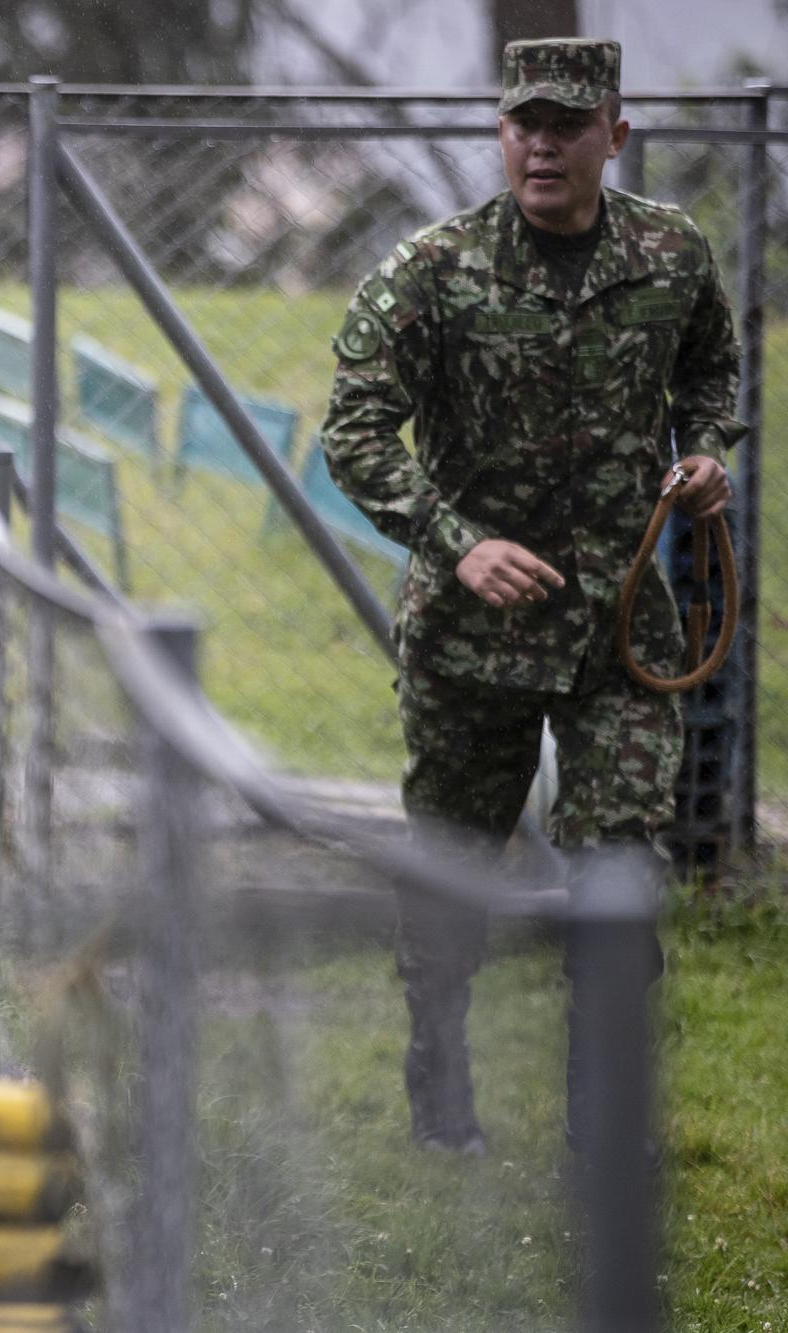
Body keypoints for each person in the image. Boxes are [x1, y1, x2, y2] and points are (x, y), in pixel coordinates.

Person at [318, 37, 745, 1154]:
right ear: (500, 133)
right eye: (522, 124)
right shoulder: (432, 268)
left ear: (614, 129)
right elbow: (354, 432)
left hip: (620, 637)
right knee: (449, 874)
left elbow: (709, 371)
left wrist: (703, 453)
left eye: (565, 124)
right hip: (472, 638)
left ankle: (598, 1129)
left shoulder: (670, 253)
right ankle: (439, 1089)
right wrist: (453, 542)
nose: (541, 144)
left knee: (615, 874)